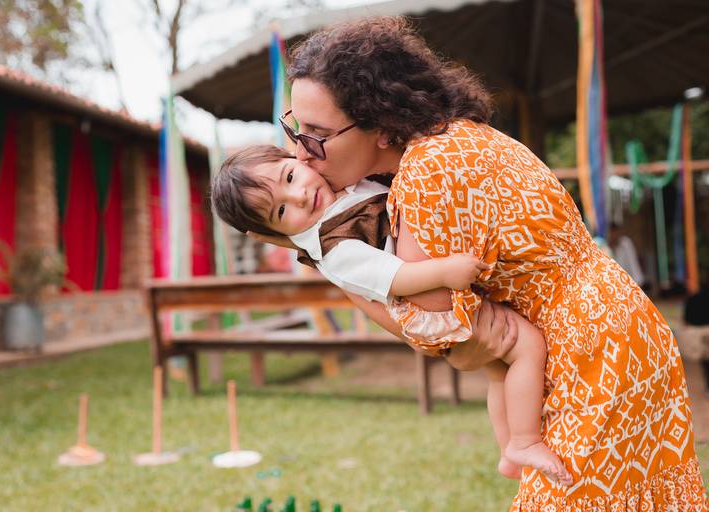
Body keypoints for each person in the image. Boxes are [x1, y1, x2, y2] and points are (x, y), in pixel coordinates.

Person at [250, 16, 706, 511]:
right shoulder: (456, 137)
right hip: (620, 334)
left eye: (316, 135)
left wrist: (328, 260)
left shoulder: (426, 175)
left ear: (380, 125)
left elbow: (441, 330)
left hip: (592, 358)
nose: (301, 152)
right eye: (294, 128)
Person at [212, 145, 574, 484]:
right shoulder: (333, 248)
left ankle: (507, 449)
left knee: (499, 371)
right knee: (527, 346)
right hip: (423, 304)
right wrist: (445, 271)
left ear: (296, 158)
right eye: (281, 211)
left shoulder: (342, 195)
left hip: (429, 295)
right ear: (274, 233)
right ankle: (525, 441)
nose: (300, 196)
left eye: (289, 177)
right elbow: (394, 279)